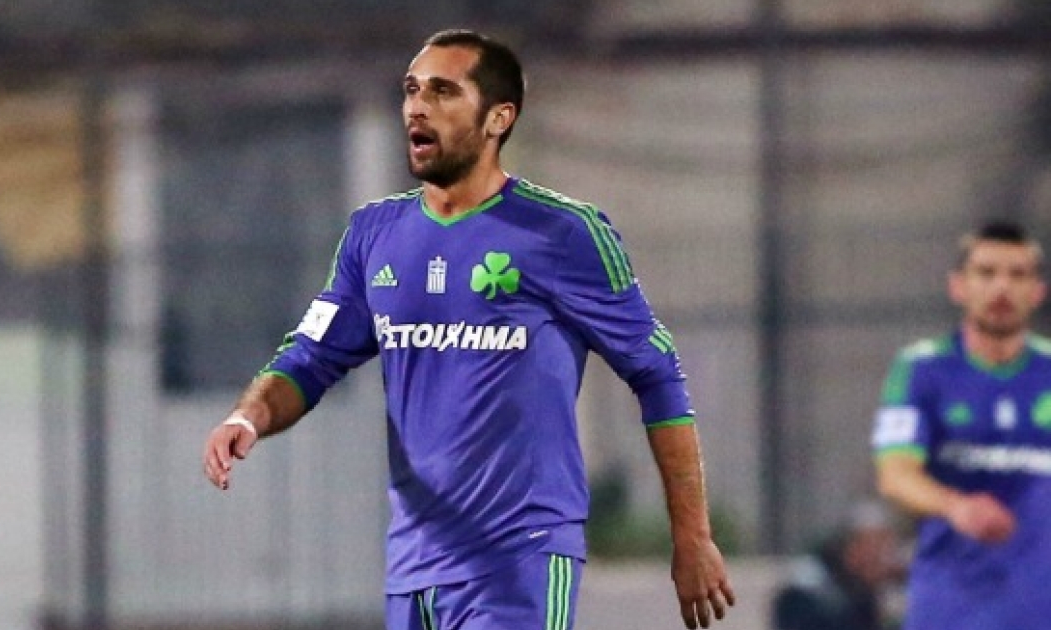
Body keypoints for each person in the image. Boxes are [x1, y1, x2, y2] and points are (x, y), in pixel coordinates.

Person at [202, 28, 736, 630]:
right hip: (413, 568)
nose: (417, 106)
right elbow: (309, 358)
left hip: (520, 558)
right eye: (411, 90)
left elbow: (658, 374)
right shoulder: (373, 235)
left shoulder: (564, 234)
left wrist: (692, 538)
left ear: (497, 119)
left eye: (443, 91)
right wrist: (248, 417)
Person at [871, 220, 1051, 630]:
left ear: (1038, 291)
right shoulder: (922, 369)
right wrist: (956, 506)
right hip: (951, 609)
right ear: (958, 286)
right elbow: (895, 475)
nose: (1002, 287)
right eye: (986, 273)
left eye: (1017, 274)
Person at [771, 500, 903, 630]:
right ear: (854, 545)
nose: (883, 558)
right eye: (875, 547)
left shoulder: (863, 588)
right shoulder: (808, 587)